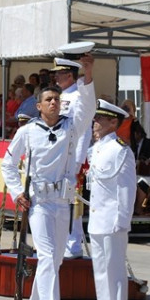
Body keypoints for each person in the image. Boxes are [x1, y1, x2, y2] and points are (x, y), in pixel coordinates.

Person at [1, 54, 95, 300]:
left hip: (62, 202)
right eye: (49, 100)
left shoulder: (70, 128)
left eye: (57, 99)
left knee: (54, 262)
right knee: (47, 257)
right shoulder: (28, 131)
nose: (54, 103)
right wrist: (18, 193)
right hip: (39, 203)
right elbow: (7, 164)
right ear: (39, 106)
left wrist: (87, 77)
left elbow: (88, 111)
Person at [83, 100, 135, 300]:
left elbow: (126, 188)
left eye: (100, 119)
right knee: (101, 269)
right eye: (95, 118)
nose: (95, 122)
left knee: (114, 269)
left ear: (113, 122)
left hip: (112, 219)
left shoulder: (120, 150)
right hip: (97, 218)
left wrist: (122, 220)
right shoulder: (96, 149)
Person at [51, 55, 94, 259]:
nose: (56, 77)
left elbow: (84, 131)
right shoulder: (59, 97)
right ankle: (61, 241)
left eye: (59, 73)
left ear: (70, 75)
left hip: (71, 158)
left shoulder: (77, 97)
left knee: (71, 201)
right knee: (57, 200)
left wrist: (77, 160)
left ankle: (73, 244)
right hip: (58, 155)